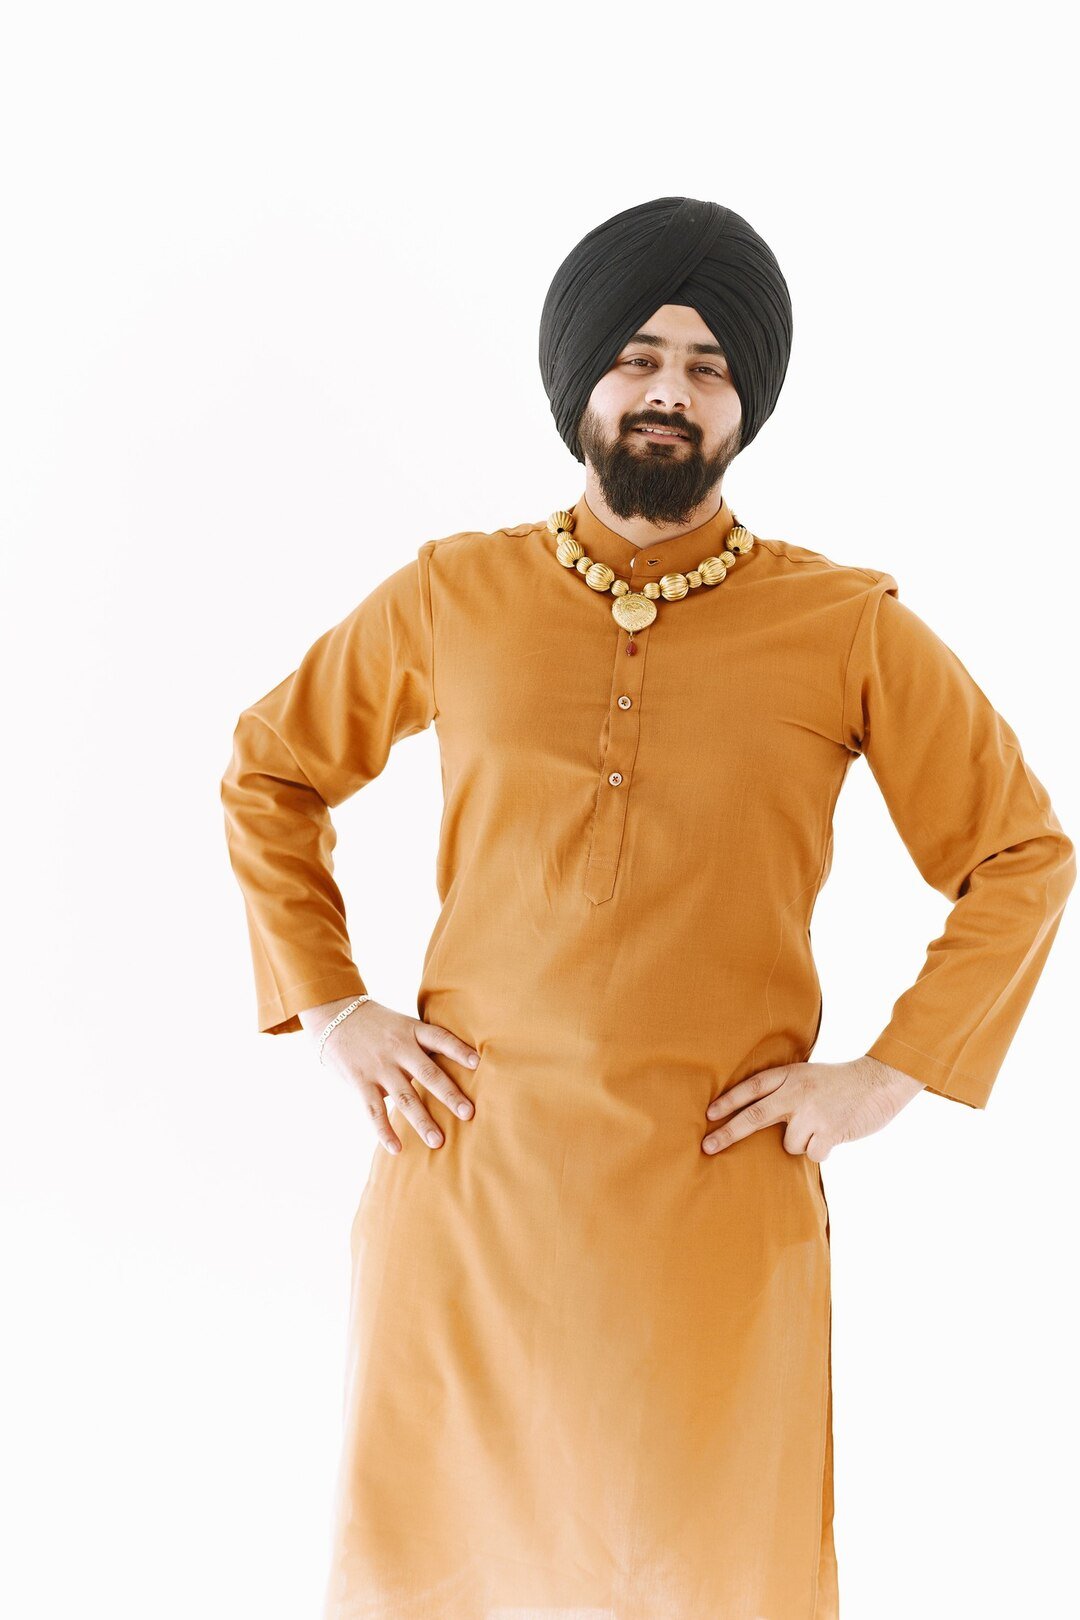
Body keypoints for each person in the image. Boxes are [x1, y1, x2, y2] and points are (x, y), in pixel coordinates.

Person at [219, 195, 1075, 1620]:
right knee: (439, 1576)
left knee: (718, 1574)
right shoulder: (455, 592)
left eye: (708, 366)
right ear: (581, 380)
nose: (669, 390)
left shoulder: (844, 625)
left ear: (745, 404)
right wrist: (331, 1008)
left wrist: (890, 1074)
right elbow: (272, 770)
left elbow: (1021, 854)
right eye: (637, 356)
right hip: (470, 1188)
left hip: (713, 1205)